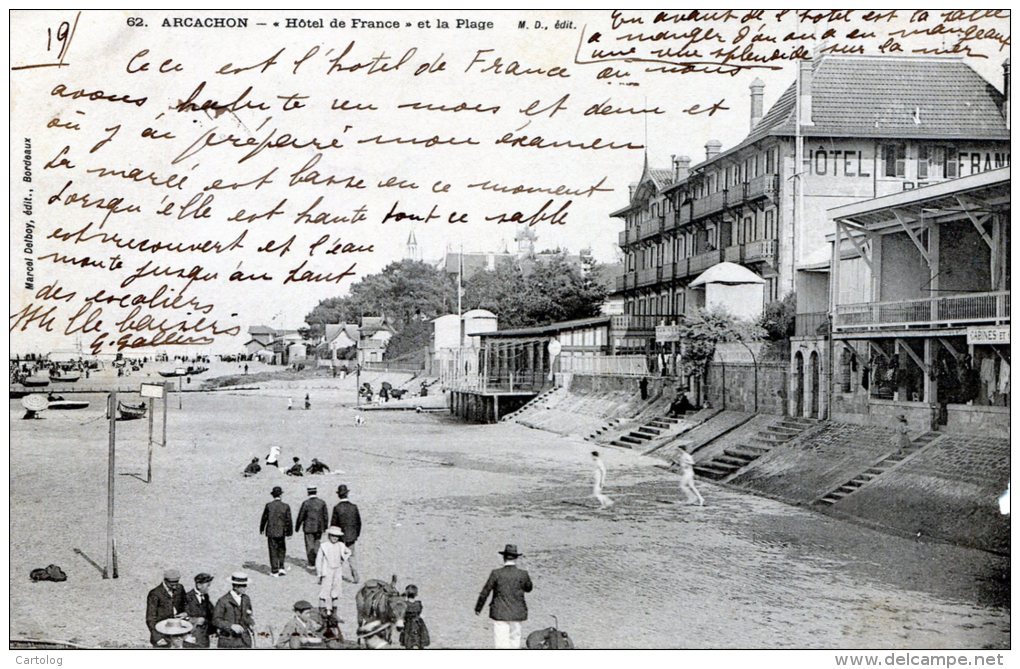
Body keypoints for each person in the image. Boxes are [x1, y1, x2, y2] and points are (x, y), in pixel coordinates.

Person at [474, 544, 533, 649]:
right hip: (517, 612)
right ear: (516, 558)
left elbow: (485, 592)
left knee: (501, 642)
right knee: (515, 641)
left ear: (503, 557)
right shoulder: (522, 574)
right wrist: (527, 577)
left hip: (499, 612)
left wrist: (478, 607)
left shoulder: (496, 573)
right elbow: (529, 589)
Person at [316, 526, 358, 620]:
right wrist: (319, 574)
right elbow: (318, 561)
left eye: (337, 536)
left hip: (337, 570)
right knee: (325, 590)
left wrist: (343, 559)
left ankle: (334, 611)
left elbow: (349, 552)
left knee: (336, 590)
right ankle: (322, 610)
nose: (335, 538)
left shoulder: (341, 545)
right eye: (333, 536)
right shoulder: (324, 545)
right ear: (329, 536)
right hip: (327, 570)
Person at [146, 569, 189, 647]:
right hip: (162, 634)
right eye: (172, 584)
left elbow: (186, 604)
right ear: (165, 581)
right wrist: (158, 638)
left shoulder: (180, 588)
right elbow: (150, 618)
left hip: (177, 631)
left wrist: (185, 613)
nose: (175, 586)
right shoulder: (154, 594)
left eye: (177, 582)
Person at [213, 572, 255, 648]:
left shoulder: (246, 599)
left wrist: (251, 623)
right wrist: (231, 626)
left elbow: (248, 614)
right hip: (228, 640)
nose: (246, 588)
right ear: (236, 586)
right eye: (243, 586)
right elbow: (216, 620)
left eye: (246, 585)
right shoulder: (223, 601)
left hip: (244, 640)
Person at [260, 486, 293, 576]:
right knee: (282, 549)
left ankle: (274, 570)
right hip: (282, 531)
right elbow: (288, 520)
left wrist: (262, 528)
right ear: (281, 495)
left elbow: (264, 518)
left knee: (273, 550)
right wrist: (289, 532)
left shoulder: (269, 505)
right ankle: (281, 567)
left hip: (271, 531)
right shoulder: (285, 506)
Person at [296, 485, 330, 567]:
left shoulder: (306, 503)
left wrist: (297, 527)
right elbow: (326, 516)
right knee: (317, 544)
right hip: (319, 527)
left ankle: (311, 563)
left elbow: (301, 516)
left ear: (308, 492)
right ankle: (318, 561)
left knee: (309, 545)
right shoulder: (322, 502)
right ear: (316, 492)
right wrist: (325, 527)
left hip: (308, 527)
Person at [331, 485, 362, 564]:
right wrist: (356, 534)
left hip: (340, 536)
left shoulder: (337, 508)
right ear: (347, 494)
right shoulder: (354, 507)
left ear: (338, 495)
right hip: (351, 535)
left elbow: (333, 524)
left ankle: (337, 575)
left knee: (338, 556)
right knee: (352, 556)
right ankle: (356, 576)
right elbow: (359, 523)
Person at [184, 573, 215, 648]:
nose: (209, 588)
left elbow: (212, 613)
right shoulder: (186, 598)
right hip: (191, 639)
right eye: (207, 586)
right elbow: (181, 617)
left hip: (204, 638)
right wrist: (193, 619)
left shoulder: (205, 596)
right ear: (199, 585)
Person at [400, 584, 430, 649]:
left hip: (408, 625)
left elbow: (402, 614)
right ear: (416, 594)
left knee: (408, 643)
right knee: (419, 642)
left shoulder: (404, 604)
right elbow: (419, 612)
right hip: (418, 624)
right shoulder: (418, 604)